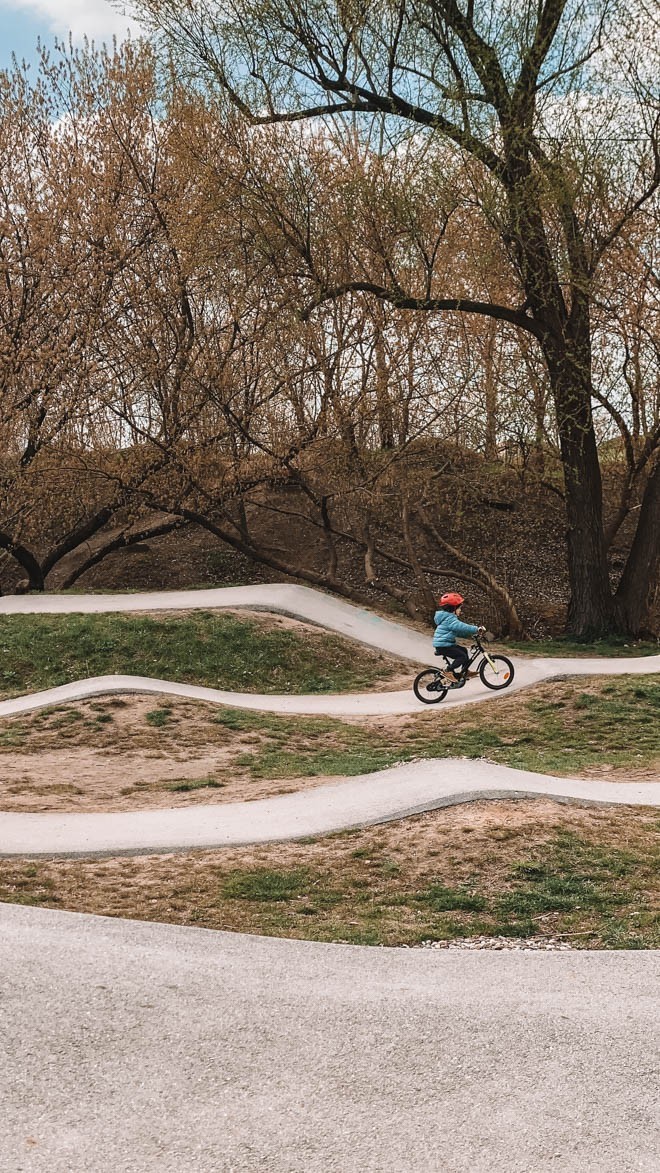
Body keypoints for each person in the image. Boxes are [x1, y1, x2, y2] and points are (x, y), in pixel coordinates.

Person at [432, 592, 485, 683]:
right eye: (459, 608)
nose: (460, 610)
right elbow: (461, 627)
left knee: (464, 650)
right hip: (443, 645)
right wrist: (476, 629)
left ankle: (465, 672)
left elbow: (457, 632)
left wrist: (470, 635)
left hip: (445, 644)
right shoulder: (450, 619)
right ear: (453, 608)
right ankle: (448, 671)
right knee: (462, 656)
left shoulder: (448, 618)